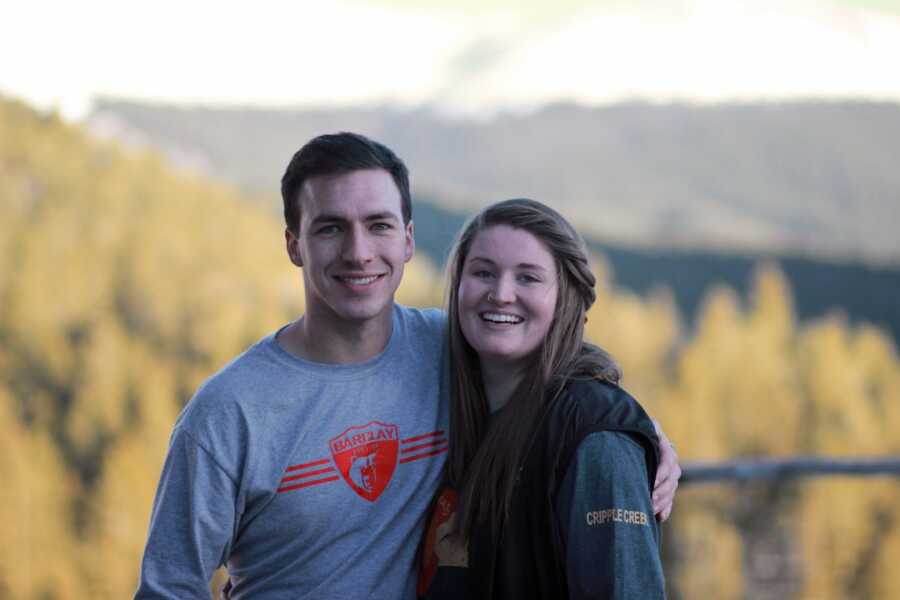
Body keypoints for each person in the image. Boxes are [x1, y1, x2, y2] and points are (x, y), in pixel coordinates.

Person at [135, 133, 680, 599]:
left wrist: (633, 434)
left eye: (378, 226)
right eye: (329, 228)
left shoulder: (453, 348)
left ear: (409, 239)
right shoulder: (227, 414)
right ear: (293, 244)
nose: (358, 252)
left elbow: (561, 371)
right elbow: (168, 587)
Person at [418, 199, 666, 599]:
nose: (500, 294)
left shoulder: (597, 436)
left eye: (528, 278)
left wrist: (625, 430)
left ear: (564, 299)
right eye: (483, 272)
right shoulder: (450, 408)